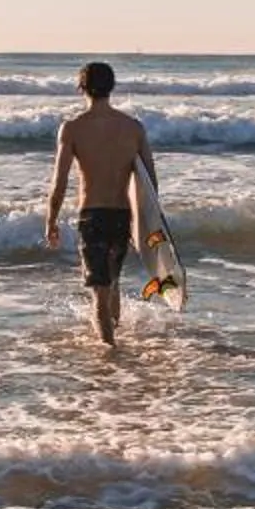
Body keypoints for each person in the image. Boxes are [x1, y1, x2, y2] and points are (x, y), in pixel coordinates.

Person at [42, 60, 156, 347]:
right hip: (122, 217)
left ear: (81, 88)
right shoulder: (134, 128)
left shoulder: (72, 129)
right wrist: (144, 225)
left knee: (99, 295)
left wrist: (51, 220)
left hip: (92, 218)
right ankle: (115, 349)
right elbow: (150, 184)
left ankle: (109, 356)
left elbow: (59, 182)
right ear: (111, 87)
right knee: (112, 284)